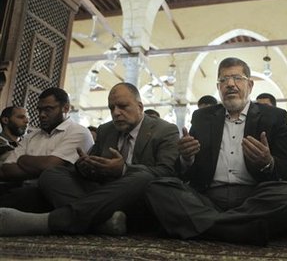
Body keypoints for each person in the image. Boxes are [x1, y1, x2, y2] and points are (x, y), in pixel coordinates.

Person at [145, 57, 287, 246]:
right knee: (155, 187)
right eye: (223, 80)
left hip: (255, 198)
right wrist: (186, 158)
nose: (230, 84)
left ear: (250, 84)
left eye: (237, 78)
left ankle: (206, 226)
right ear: (219, 87)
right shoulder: (202, 117)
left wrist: (268, 162)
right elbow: (187, 173)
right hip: (208, 198)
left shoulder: (274, 117)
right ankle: (241, 230)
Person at [0, 83, 180, 236]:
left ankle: (56, 220)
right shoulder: (106, 130)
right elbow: (91, 166)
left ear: (140, 107)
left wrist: (124, 170)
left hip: (137, 197)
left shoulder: (165, 130)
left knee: (143, 177)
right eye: (111, 108)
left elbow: (167, 173)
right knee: (51, 175)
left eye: (123, 106)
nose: (116, 113)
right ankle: (105, 222)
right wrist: (84, 166)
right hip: (102, 193)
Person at [0, 88, 94, 212]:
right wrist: (39, 168)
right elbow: (6, 169)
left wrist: (23, 160)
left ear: (66, 108)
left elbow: (51, 166)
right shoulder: (31, 136)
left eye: (48, 109)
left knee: (17, 198)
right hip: (20, 186)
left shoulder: (78, 132)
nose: (42, 114)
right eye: (40, 110)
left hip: (52, 193)